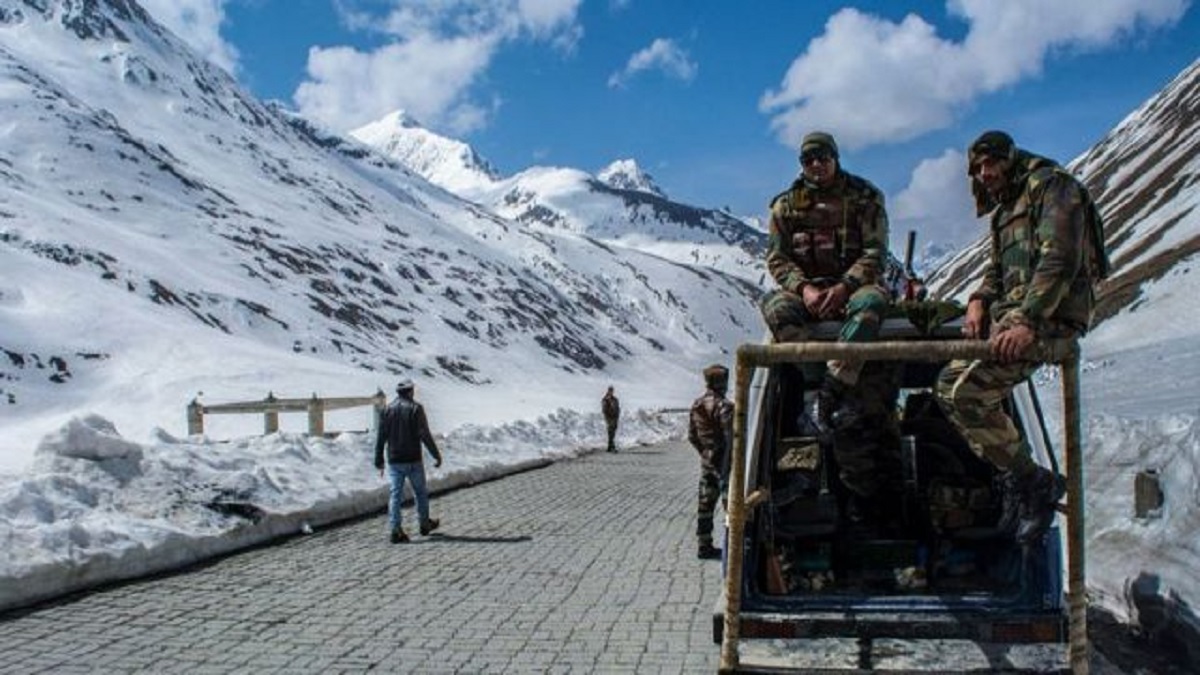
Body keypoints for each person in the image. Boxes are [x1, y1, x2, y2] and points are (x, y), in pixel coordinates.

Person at [936, 130, 1108, 545]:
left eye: (990, 163)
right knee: (948, 387)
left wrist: (1028, 320)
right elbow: (999, 270)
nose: (985, 173)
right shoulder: (1004, 210)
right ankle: (1023, 479)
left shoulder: (1052, 187)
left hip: (1049, 320)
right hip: (1015, 319)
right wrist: (978, 298)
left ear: (1009, 158)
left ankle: (1032, 483)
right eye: (977, 169)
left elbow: (1060, 258)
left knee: (961, 391)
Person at [759, 131, 899, 527]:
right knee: (774, 307)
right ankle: (811, 388)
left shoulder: (864, 197)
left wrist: (844, 287)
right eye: (808, 159)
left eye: (822, 157)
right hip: (808, 296)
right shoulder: (786, 207)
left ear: (836, 158)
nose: (816, 165)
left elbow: (875, 253)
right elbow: (777, 258)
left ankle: (832, 390)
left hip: (853, 289)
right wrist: (803, 289)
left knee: (872, 306)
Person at [374, 378, 444, 543]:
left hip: (394, 460)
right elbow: (424, 434)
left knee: (395, 495)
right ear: (411, 391)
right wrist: (436, 454)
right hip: (413, 459)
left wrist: (378, 458)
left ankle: (396, 529)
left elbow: (381, 436)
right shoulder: (416, 409)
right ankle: (424, 523)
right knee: (420, 493)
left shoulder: (387, 410)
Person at [688, 364, 734, 560]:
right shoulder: (725, 406)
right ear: (722, 382)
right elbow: (732, 436)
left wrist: (705, 453)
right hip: (725, 464)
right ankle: (733, 548)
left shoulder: (696, 405)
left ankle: (704, 545)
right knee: (730, 507)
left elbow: (692, 436)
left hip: (707, 463)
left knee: (705, 506)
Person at [601, 386, 620, 453]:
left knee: (613, 432)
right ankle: (612, 446)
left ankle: (609, 446)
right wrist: (608, 415)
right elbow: (604, 409)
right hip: (609, 418)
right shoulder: (605, 399)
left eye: (612, 391)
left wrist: (617, 415)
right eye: (610, 391)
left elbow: (618, 408)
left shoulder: (615, 399)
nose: (611, 392)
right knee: (610, 431)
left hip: (615, 418)